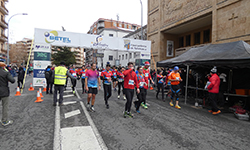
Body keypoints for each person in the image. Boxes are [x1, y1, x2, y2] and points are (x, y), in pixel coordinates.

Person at [0, 61, 15, 126]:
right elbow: (13, 80)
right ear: (3, 67)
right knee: (5, 107)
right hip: (4, 92)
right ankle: (4, 120)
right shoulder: (5, 73)